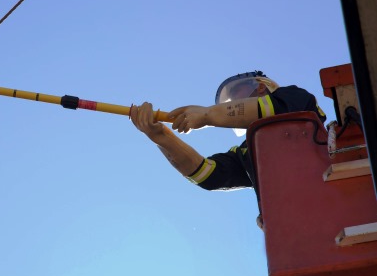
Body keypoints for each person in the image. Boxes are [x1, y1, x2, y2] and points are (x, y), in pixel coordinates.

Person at [130, 71, 326, 191]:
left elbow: (277, 110)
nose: (231, 103)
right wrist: (161, 137)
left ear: (260, 87)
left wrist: (207, 115)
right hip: (291, 233)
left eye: (234, 95)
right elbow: (207, 175)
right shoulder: (246, 152)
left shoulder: (293, 97)